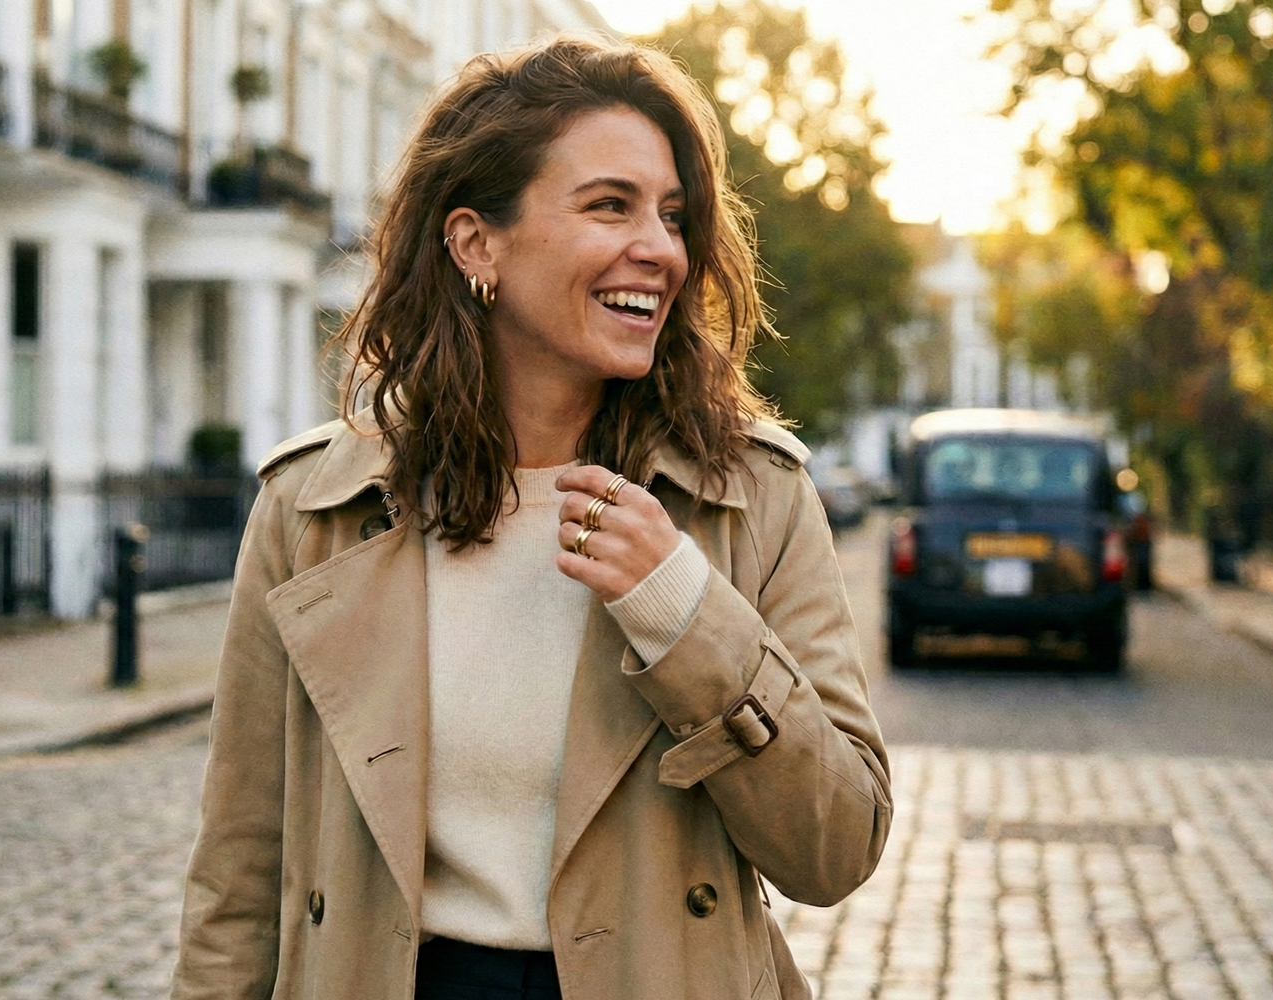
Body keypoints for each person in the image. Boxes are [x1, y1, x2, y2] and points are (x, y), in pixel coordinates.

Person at [170, 36, 891, 1000]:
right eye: (610, 205)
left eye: (673, 216)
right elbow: (239, 874)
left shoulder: (750, 494)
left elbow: (836, 847)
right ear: (477, 244)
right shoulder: (314, 508)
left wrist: (684, 610)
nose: (661, 249)